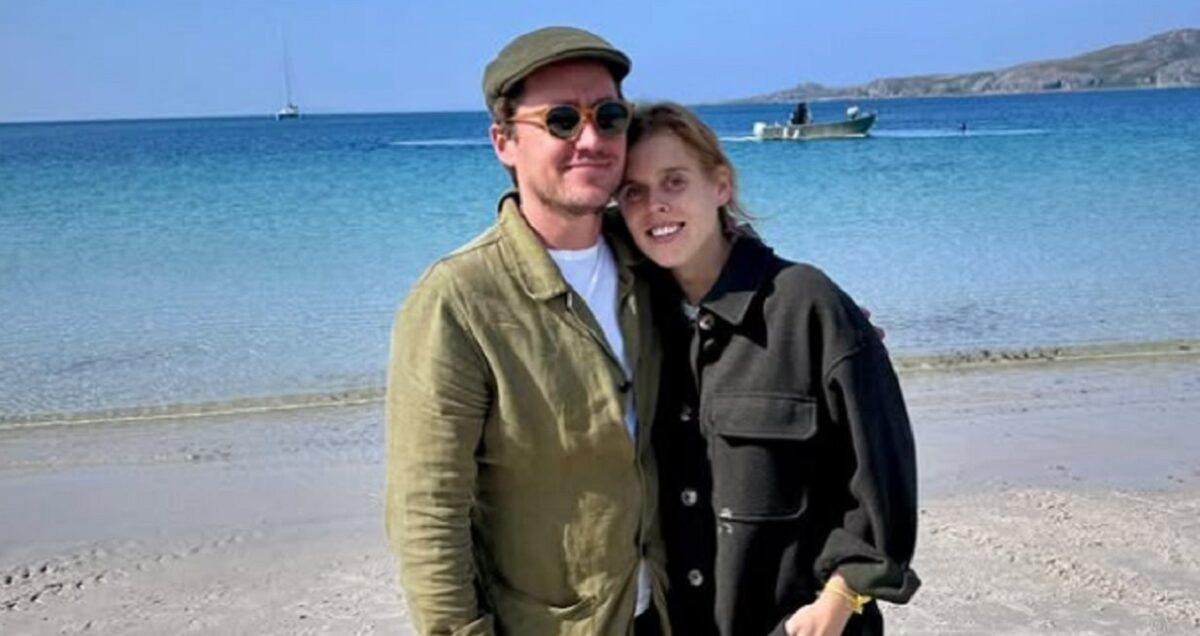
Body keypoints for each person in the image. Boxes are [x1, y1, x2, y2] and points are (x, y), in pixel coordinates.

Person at [385, 27, 670, 635]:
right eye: (561, 120)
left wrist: (830, 323)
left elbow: (746, 289)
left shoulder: (657, 262)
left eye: (609, 117)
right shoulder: (459, 300)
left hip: (671, 612)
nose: (590, 140)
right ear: (505, 142)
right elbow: (428, 507)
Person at [617, 102, 919, 636]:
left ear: (721, 185)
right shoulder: (635, 324)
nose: (655, 204)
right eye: (633, 192)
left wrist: (837, 602)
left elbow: (883, 477)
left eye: (674, 182)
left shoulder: (807, 304)